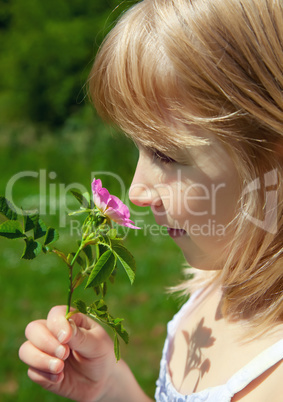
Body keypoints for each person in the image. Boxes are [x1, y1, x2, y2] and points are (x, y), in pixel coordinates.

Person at [19, 0, 283, 400]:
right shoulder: (216, 285)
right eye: (139, 149)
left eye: (166, 155)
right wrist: (110, 386)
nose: (135, 192)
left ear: (272, 163)